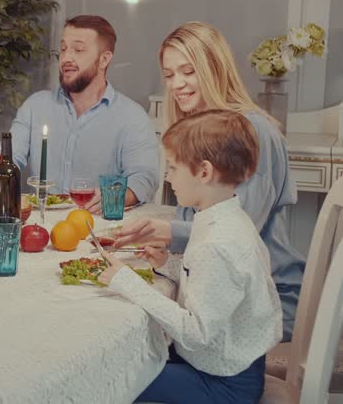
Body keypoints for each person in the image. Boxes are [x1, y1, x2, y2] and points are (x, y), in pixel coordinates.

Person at [114, 22, 304, 341]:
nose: (177, 84)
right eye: (170, 74)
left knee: (141, 344)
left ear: (216, 70)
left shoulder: (254, 132)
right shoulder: (199, 132)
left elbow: (238, 230)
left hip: (262, 303)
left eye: (188, 71)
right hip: (221, 291)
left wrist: (167, 232)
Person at [99, 110, 282, 404]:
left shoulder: (218, 242)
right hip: (221, 364)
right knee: (130, 359)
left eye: (172, 167)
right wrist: (167, 264)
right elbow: (215, 287)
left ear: (204, 172)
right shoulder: (225, 218)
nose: (168, 177)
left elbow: (196, 332)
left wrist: (126, 282)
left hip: (224, 383)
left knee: (113, 379)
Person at [0, 15, 159, 213]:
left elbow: (144, 178)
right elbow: (11, 160)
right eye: (63, 49)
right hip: (40, 224)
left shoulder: (132, 117)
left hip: (97, 226)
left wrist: (116, 196)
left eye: (78, 50)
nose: (66, 58)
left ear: (104, 59)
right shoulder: (35, 106)